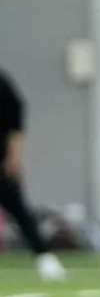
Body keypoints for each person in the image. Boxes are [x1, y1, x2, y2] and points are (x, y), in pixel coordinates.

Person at [0, 68, 66, 280]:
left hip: (1, 161)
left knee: (18, 209)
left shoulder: (2, 84)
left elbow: (16, 121)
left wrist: (14, 155)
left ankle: (45, 256)